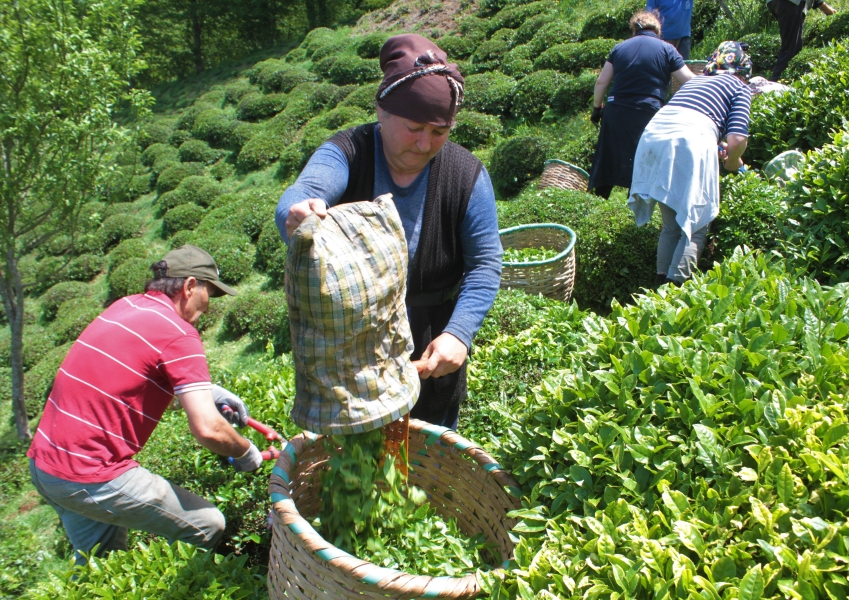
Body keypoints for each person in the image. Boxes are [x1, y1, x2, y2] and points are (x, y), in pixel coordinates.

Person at [275, 34, 502, 431]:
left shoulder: (465, 175)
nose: (424, 143)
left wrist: (459, 334)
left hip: (429, 350)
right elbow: (307, 190)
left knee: (427, 460)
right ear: (382, 110)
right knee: (352, 463)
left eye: (439, 131)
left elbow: (485, 264)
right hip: (348, 355)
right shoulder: (349, 151)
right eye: (414, 127)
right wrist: (298, 213)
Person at [27, 245, 263, 565]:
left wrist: (208, 391)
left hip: (46, 466)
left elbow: (133, 373)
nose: (209, 306)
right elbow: (208, 429)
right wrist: (245, 452)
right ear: (190, 285)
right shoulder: (178, 333)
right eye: (209, 292)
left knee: (102, 569)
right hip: (91, 474)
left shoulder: (126, 306)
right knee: (208, 525)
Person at [629, 41, 753, 286]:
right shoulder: (739, 86)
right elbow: (737, 139)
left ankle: (659, 288)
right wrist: (734, 161)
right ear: (743, 70)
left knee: (672, 224)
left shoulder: (695, 81)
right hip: (688, 140)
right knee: (695, 223)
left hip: (654, 136)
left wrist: (716, 148)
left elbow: (690, 119)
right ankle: (676, 291)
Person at [588, 10, 695, 199]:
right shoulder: (667, 49)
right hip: (648, 111)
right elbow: (688, 80)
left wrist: (597, 109)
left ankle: (599, 197)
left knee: (608, 155)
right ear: (657, 30)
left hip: (616, 109)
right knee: (642, 156)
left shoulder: (619, 48)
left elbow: (601, 82)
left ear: (633, 30)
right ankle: (636, 201)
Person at [768, 0, 835, 81]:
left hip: (776, 3)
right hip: (790, 3)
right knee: (791, 47)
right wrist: (829, 11)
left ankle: (785, 79)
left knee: (792, 45)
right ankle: (775, 82)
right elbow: (818, 2)